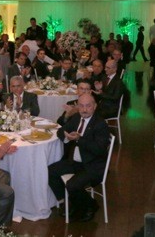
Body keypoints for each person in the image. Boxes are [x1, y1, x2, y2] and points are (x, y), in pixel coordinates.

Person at [48, 92, 111, 222]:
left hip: (93, 165)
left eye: (88, 106)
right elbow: (61, 131)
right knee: (50, 171)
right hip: (76, 161)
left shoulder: (100, 124)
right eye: (81, 106)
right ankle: (69, 201)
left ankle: (90, 206)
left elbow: (99, 150)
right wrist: (67, 136)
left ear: (94, 106)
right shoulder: (77, 118)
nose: (84, 109)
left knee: (72, 185)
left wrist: (79, 139)